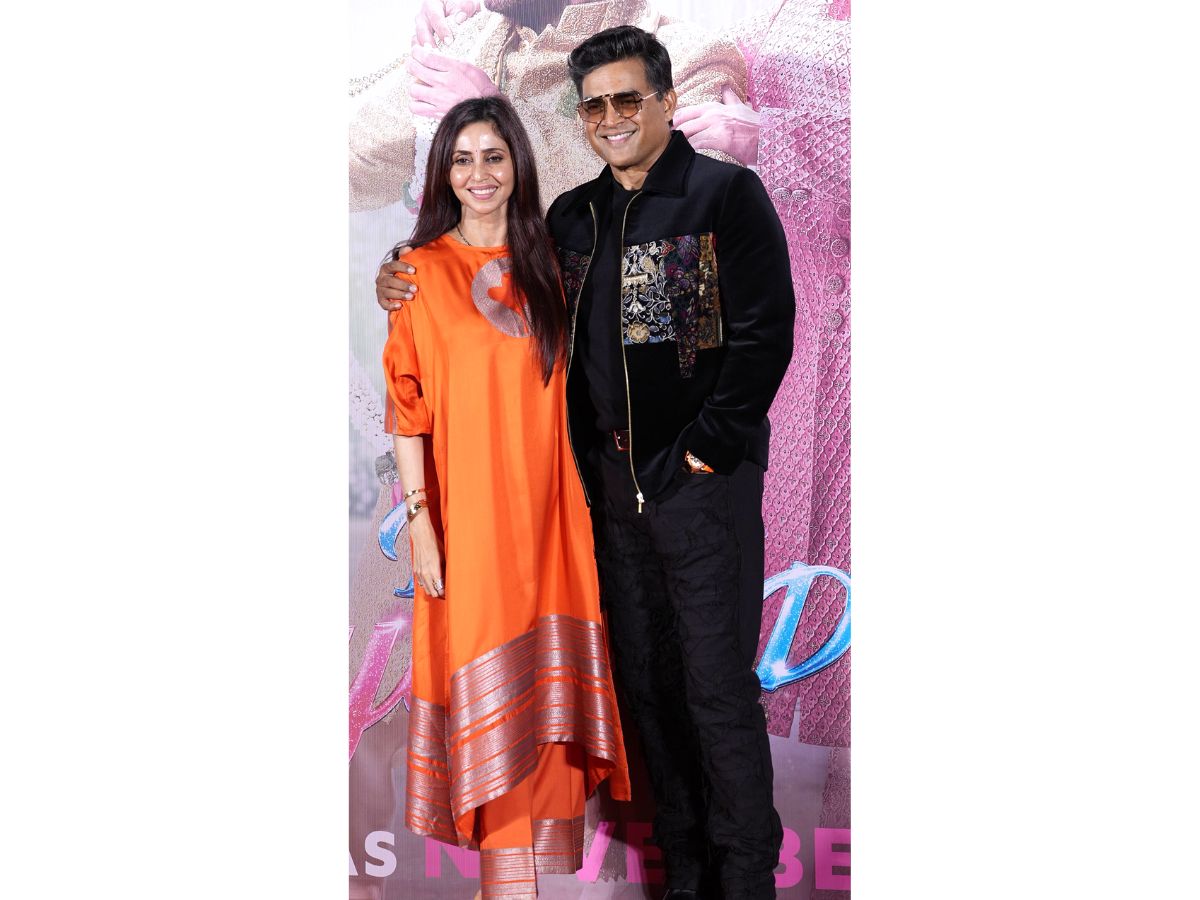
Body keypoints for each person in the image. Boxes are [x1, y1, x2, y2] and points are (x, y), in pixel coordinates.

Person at [379, 27, 795, 900]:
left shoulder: (724, 195)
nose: (610, 118)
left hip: (699, 491)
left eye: (627, 99)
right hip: (605, 500)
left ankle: (746, 880)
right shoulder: (573, 219)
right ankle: (686, 879)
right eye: (594, 104)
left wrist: (707, 453)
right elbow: (478, 276)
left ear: (666, 102)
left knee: (717, 694)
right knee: (648, 693)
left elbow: (763, 338)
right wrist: (399, 273)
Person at [381, 94, 630, 899]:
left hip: (554, 528)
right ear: (442, 173)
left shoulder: (557, 262)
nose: (479, 173)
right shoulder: (418, 273)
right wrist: (422, 526)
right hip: (473, 529)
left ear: (518, 164)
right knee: (491, 712)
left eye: (493, 156)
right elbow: (407, 411)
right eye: (462, 159)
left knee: (543, 723)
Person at [349, 0, 748, 212]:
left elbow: (677, 226)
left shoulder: (686, 57)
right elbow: (354, 159)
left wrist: (497, 121)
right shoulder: (472, 38)